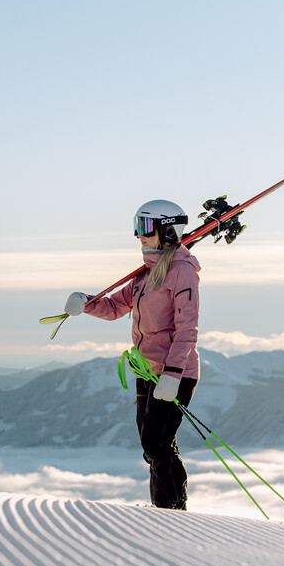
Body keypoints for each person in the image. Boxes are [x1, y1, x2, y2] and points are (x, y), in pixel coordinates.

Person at [63, 199, 200, 509]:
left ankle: (173, 509)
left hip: (173, 373)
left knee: (156, 443)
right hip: (146, 370)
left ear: (167, 231)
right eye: (138, 227)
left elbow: (187, 329)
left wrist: (173, 374)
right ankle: (166, 506)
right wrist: (85, 303)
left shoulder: (182, 272)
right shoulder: (145, 274)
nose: (139, 236)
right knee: (151, 444)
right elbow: (114, 308)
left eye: (146, 228)